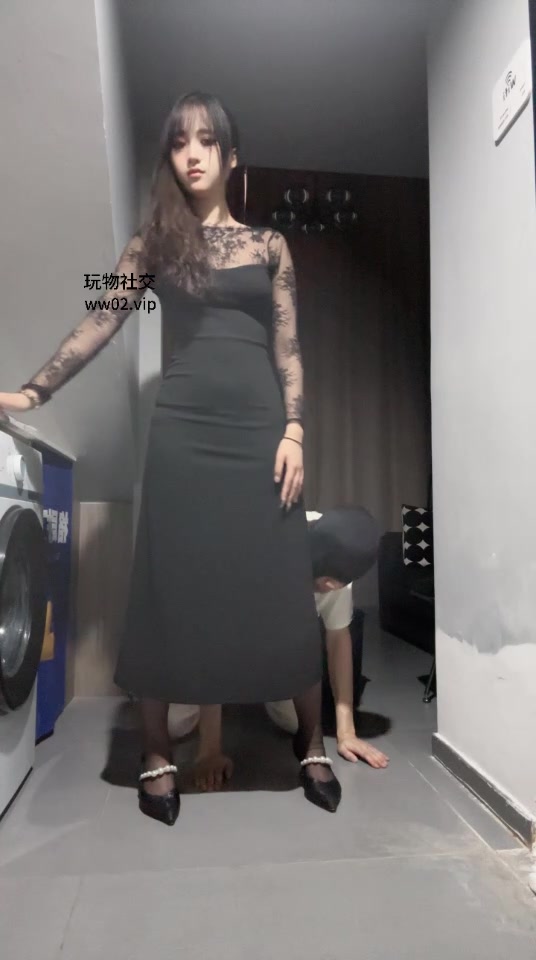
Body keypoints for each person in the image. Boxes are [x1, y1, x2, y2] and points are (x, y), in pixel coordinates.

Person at [0, 91, 341, 824]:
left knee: (280, 585)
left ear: (231, 156)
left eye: (206, 140)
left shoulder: (270, 246)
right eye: (179, 141)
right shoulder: (155, 242)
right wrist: (34, 389)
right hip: (183, 433)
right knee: (167, 587)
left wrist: (295, 430)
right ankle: (157, 754)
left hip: (260, 433)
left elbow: (289, 348)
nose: (191, 153)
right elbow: (104, 316)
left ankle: (312, 742)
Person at [192, 507, 389, 792]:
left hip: (277, 651)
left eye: (333, 584)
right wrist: (209, 749)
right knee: (176, 725)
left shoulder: (342, 562)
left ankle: (255, 692)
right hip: (222, 640)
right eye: (324, 582)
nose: (328, 587)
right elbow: (213, 641)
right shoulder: (255, 550)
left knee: (296, 721)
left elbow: (338, 639)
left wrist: (346, 731)